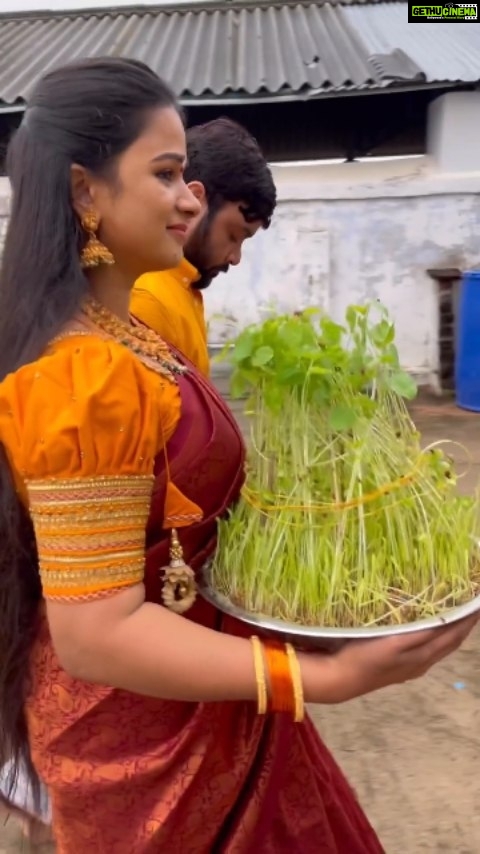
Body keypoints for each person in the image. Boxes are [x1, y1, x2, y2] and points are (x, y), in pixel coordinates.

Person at [0, 56, 476, 854]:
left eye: (187, 173)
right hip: (145, 739)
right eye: (167, 172)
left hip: (214, 685)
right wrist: (317, 677)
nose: (192, 197)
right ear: (87, 193)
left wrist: (308, 624)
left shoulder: (135, 338)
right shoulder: (78, 377)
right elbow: (96, 634)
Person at [131, 117, 276, 376]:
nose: (236, 258)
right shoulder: (148, 300)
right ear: (195, 200)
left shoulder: (182, 287)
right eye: (233, 235)